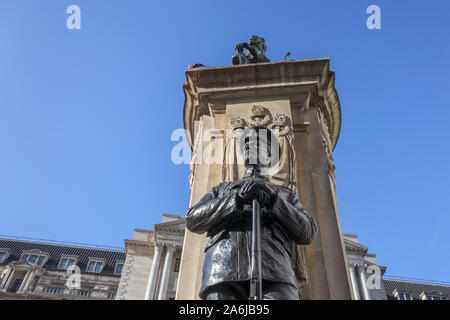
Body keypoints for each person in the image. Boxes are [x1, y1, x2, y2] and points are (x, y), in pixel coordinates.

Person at [185, 126, 317, 300]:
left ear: (269, 155)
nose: (248, 146)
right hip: (223, 271)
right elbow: (193, 219)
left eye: (256, 143)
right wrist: (235, 200)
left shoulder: (285, 194)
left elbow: (307, 232)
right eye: (246, 143)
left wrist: (274, 201)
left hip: (275, 271)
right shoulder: (223, 190)